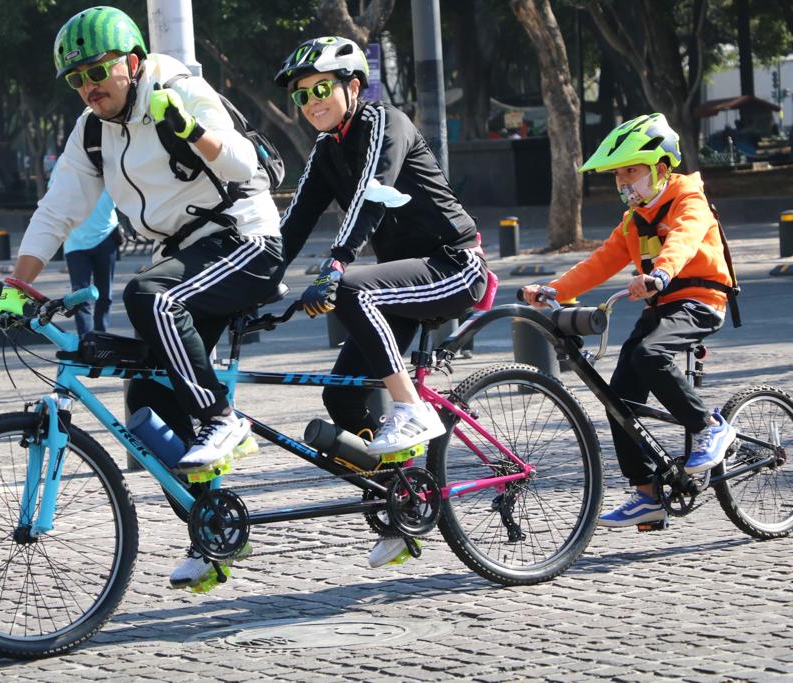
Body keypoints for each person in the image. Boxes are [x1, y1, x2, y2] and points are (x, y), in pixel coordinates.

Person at [0, 6, 282, 590]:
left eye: (98, 71)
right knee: (147, 406)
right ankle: (213, 534)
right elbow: (58, 208)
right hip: (188, 257)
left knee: (150, 296)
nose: (89, 86)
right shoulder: (92, 130)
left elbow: (243, 162)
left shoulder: (176, 88)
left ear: (132, 62)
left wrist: (190, 128)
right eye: (77, 79)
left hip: (246, 238)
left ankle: (223, 419)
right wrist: (17, 284)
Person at [274, 37, 488, 567]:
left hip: (453, 266)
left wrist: (337, 265)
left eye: (321, 88)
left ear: (352, 85)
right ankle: (403, 505)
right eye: (302, 96)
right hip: (399, 285)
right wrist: (249, 284)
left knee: (351, 290)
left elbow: (372, 193)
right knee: (343, 400)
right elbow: (291, 227)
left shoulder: (384, 124)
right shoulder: (326, 151)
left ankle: (411, 412)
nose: (312, 103)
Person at [521, 113, 737, 529]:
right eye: (618, 174)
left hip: (699, 300)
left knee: (650, 355)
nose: (623, 182)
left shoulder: (688, 199)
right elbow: (600, 262)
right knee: (618, 398)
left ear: (660, 167)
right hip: (661, 308)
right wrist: (554, 288)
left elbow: (683, 239)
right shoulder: (634, 220)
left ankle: (710, 427)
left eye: (631, 171)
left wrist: (659, 275)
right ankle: (647, 496)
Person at [50, 159, 120, 336]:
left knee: (105, 295)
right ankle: (88, 340)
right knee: (81, 296)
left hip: (106, 236)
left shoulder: (110, 158)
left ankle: (102, 337)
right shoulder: (67, 160)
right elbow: (53, 193)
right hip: (76, 242)